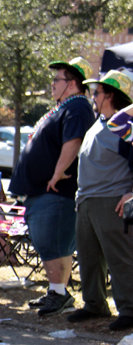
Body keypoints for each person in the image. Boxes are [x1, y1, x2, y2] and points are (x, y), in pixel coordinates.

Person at [8, 57, 96, 316]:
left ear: (71, 83)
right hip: (44, 191)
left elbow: (74, 140)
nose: (52, 83)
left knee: (52, 243)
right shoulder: (65, 106)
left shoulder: (78, 106)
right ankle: (57, 291)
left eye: (57, 79)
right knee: (53, 243)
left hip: (55, 192)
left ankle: (58, 292)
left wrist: (58, 173)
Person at [65, 70, 133, 331]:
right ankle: (94, 304)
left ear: (111, 95)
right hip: (87, 200)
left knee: (120, 258)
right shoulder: (98, 122)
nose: (92, 96)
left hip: (112, 200)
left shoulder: (124, 127)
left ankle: (129, 309)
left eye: (97, 92)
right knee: (88, 256)